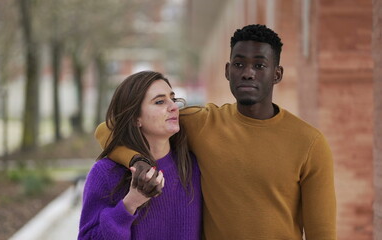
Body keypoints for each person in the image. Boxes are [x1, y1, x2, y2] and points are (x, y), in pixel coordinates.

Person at [96, 24, 336, 239]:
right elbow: (106, 130)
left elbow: (322, 233)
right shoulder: (202, 124)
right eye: (239, 64)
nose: (248, 72)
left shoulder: (309, 143)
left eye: (260, 65)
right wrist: (137, 161)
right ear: (227, 71)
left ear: (277, 74)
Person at [78, 71, 202, 240]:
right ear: (136, 118)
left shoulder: (193, 166)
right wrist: (130, 204)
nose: (173, 107)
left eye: (173, 99)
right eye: (159, 101)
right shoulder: (105, 173)